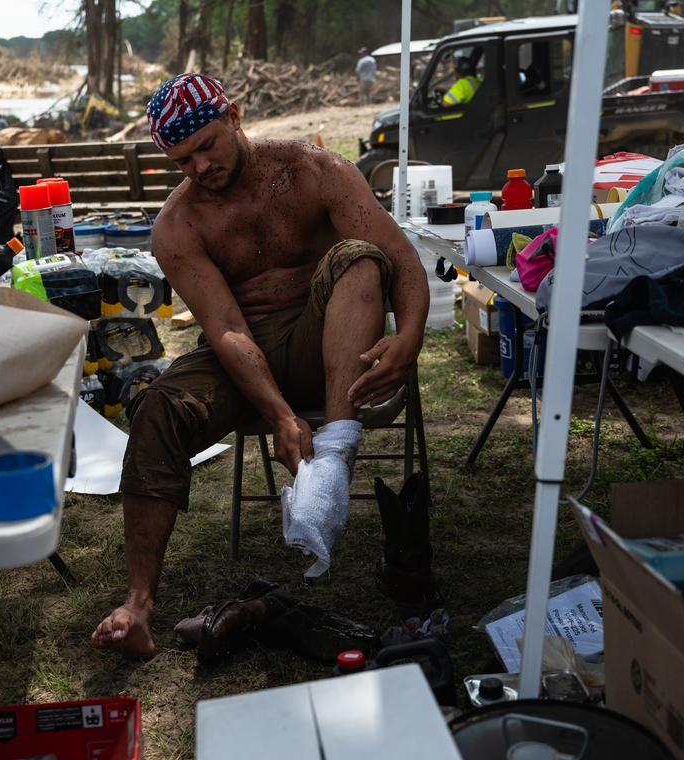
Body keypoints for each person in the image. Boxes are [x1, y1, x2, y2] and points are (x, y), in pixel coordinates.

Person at [90, 73, 430, 658]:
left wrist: (411, 338)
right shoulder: (177, 227)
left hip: (332, 340)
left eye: (207, 146)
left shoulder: (315, 172)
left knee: (359, 259)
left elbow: (401, 261)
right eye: (181, 160)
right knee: (158, 409)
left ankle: (337, 447)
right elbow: (226, 328)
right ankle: (138, 605)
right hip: (241, 354)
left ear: (237, 116)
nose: (198, 168)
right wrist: (277, 412)